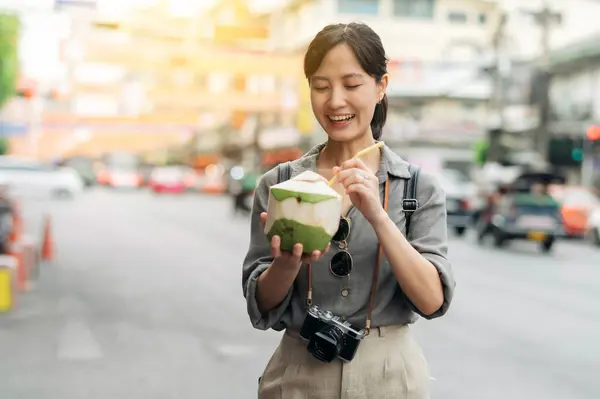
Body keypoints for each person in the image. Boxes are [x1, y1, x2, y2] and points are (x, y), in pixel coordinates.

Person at [242, 22, 455, 399]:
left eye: (352, 85)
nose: (335, 101)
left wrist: (377, 214)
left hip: (390, 377)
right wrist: (289, 262)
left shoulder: (417, 187)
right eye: (321, 87)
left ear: (381, 86)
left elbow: (432, 300)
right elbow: (261, 305)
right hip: (299, 373)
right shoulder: (279, 185)